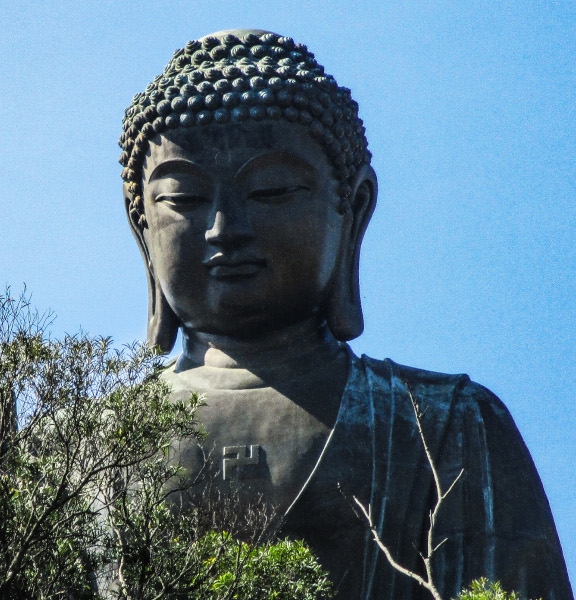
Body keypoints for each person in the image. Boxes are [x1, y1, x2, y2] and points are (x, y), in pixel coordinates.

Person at [119, 29, 572, 599]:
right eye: (183, 198)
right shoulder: (75, 453)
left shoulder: (451, 427)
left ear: (352, 210)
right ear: (142, 225)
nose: (223, 229)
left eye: (272, 190)